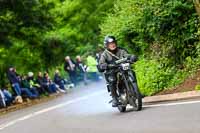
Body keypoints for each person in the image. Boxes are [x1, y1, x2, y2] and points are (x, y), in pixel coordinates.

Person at [98, 35, 138, 107]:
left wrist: (131, 57)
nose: (112, 45)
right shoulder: (105, 54)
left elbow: (127, 55)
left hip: (122, 68)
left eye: (113, 43)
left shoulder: (121, 50)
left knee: (132, 72)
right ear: (107, 45)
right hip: (112, 71)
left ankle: (136, 91)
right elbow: (101, 63)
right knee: (112, 79)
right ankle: (115, 98)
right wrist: (103, 65)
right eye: (110, 44)